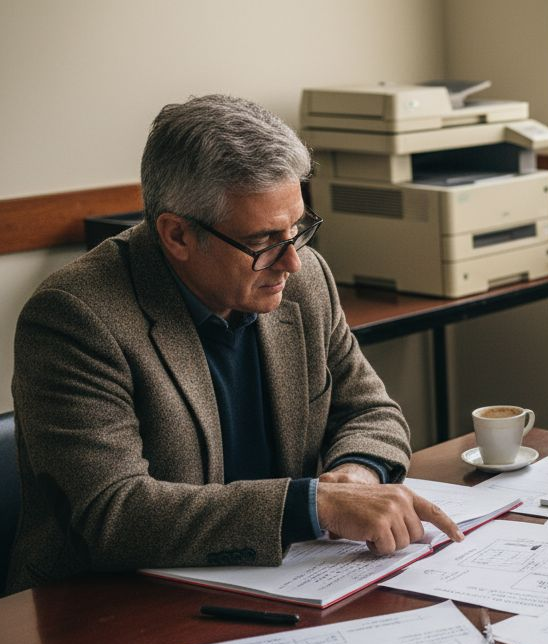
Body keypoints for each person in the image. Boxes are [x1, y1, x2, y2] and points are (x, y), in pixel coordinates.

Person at [6, 95, 462, 593]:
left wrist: (355, 477)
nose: (291, 261)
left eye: (297, 230)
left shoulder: (304, 279)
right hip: (105, 607)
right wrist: (313, 505)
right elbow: (114, 514)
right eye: (265, 240)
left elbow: (370, 410)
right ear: (177, 235)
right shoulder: (75, 318)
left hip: (280, 583)